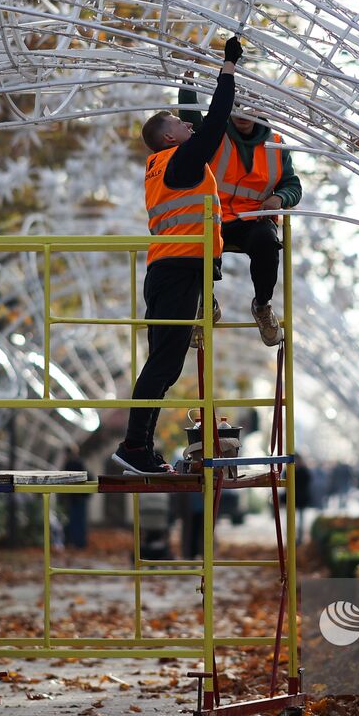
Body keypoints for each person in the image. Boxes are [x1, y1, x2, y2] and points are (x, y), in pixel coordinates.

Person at [111, 36, 242, 475]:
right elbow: (216, 121)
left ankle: (138, 447)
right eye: (184, 126)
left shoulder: (166, 165)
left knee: (165, 364)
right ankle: (133, 446)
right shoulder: (181, 162)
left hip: (172, 270)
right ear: (170, 136)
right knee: (164, 362)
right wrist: (227, 66)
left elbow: (198, 122)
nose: (192, 127)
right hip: (177, 270)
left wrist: (188, 82)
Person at [177, 78, 303, 347]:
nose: (243, 114)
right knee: (196, 240)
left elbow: (292, 184)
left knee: (267, 242)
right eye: (236, 106)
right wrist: (187, 81)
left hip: (253, 220)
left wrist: (279, 198)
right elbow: (189, 115)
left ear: (260, 110)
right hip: (215, 216)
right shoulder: (215, 133)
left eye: (249, 107)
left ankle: (262, 305)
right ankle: (204, 303)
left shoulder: (277, 144)